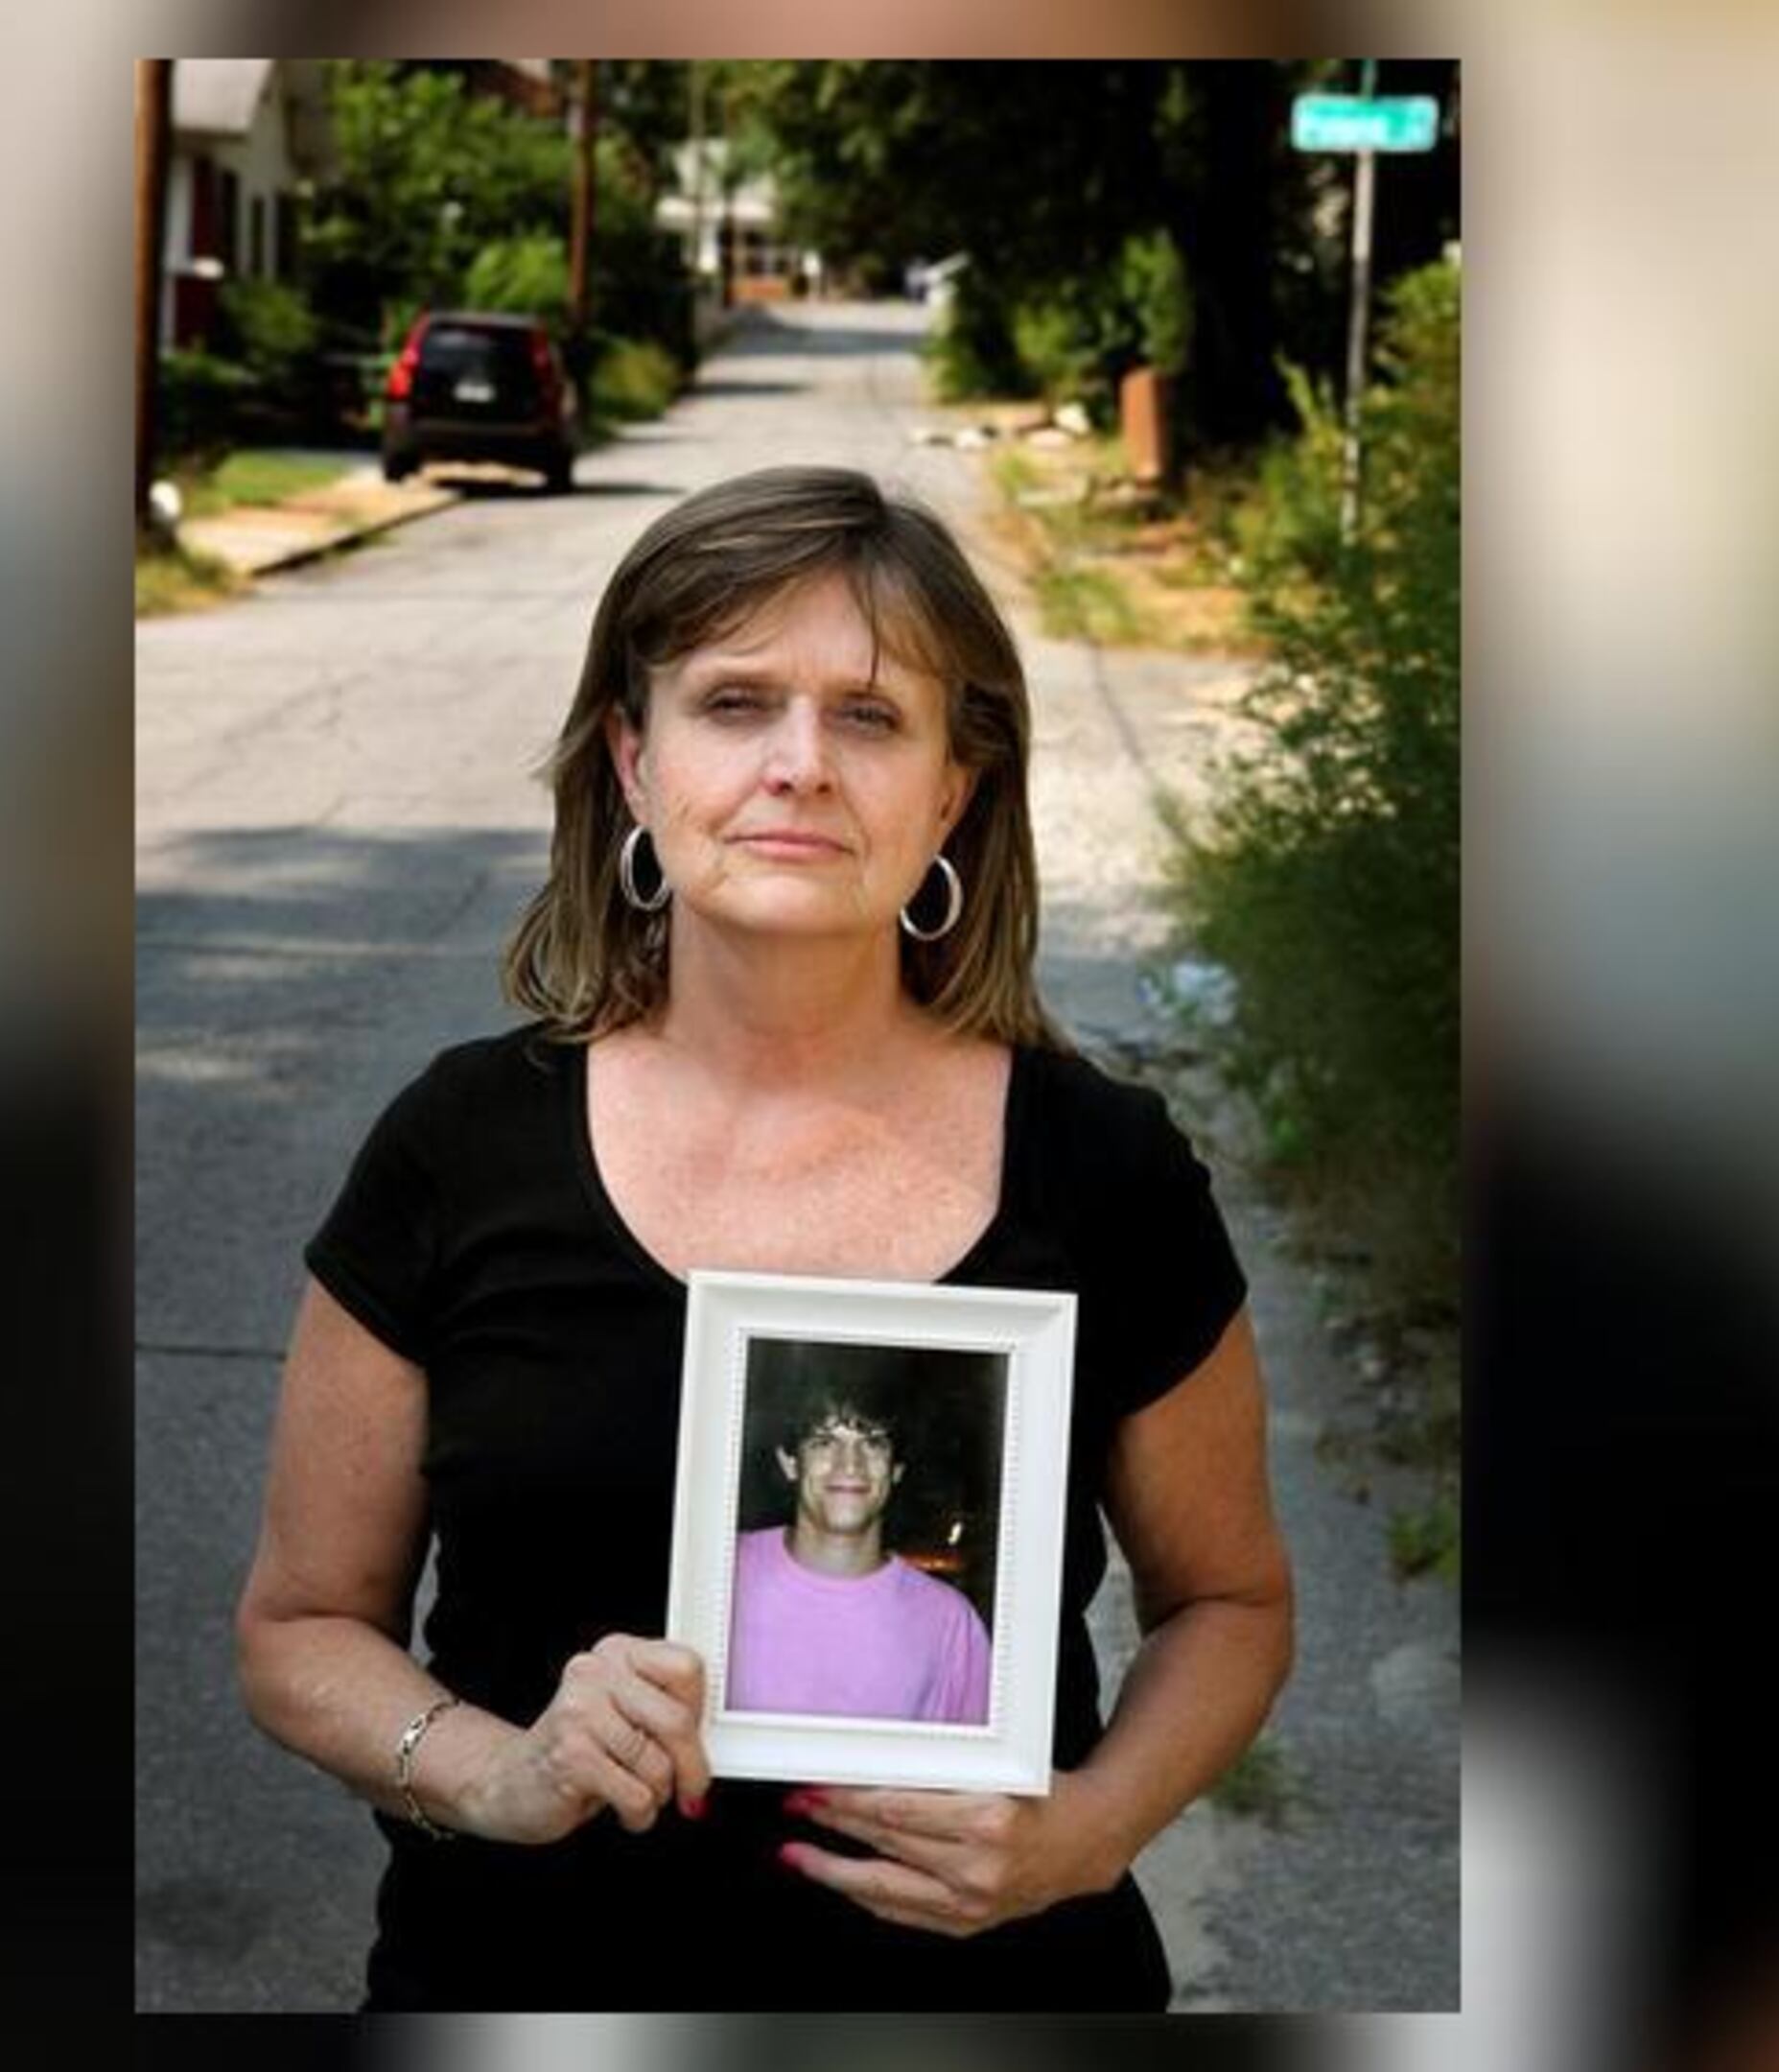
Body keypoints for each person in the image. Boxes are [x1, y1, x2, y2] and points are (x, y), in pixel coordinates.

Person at [230, 464, 1293, 2011]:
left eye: (869, 717)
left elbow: (1232, 1604)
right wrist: (490, 1772)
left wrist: (1087, 1832)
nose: (799, 764)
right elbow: (300, 1627)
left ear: (954, 789)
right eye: (735, 703)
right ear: (633, 758)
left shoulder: (1103, 1169)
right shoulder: (460, 1147)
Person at [729, 1400, 993, 1725]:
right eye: (824, 1442)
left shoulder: (950, 1621)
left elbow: (979, 1769)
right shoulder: (721, 1572)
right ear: (790, 1463)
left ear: (896, 1469)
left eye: (873, 1443)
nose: (850, 1465)